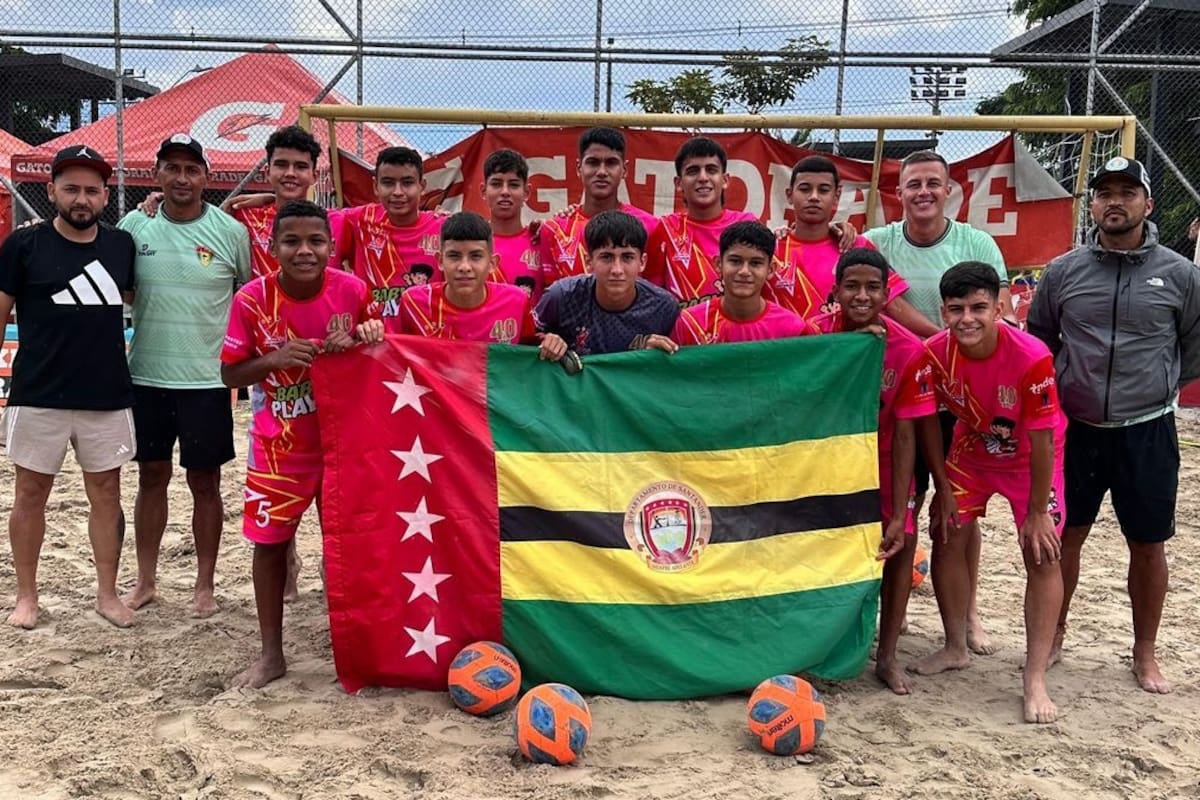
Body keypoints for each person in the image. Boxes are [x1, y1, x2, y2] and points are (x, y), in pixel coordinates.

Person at [1027, 157, 1200, 694]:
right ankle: (1054, 635)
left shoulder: (1180, 275)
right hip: (1076, 429)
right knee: (1066, 538)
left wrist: (1154, 383)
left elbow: (1192, 350)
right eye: (1105, 193)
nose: (1115, 202)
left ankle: (1143, 652)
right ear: (1093, 204)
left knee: (1148, 544)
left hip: (1146, 431)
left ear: (1148, 204)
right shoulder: (1063, 272)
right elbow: (1040, 343)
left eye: (1128, 192)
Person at [220, 200, 384, 688]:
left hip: (345, 446)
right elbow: (228, 372)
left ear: (332, 248)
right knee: (269, 547)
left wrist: (366, 333)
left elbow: (384, 351)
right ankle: (272, 654)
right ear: (272, 248)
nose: (304, 251)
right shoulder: (251, 300)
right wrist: (275, 359)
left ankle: (359, 650)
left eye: (316, 241)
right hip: (279, 451)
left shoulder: (354, 291)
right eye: (291, 241)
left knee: (351, 549)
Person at [864, 150, 1016, 655]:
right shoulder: (876, 243)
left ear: (950, 190)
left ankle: (968, 616)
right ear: (899, 193)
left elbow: (996, 321)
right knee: (900, 508)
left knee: (957, 517)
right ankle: (893, 613)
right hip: (900, 401)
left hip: (964, 406)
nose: (923, 192)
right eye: (913, 185)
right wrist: (941, 350)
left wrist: (943, 354)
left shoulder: (977, 243)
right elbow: (870, 296)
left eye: (933, 183)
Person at [913, 261, 1065, 725]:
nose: (967, 319)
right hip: (972, 448)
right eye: (956, 309)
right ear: (942, 312)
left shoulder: (1031, 355)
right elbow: (924, 423)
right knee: (946, 531)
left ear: (999, 307)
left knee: (1042, 553)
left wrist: (1037, 512)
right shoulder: (933, 353)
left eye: (979, 307)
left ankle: (1034, 678)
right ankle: (955, 645)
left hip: (1030, 459)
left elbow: (1042, 441)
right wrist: (942, 488)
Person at [0, 146, 137, 629]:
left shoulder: (122, 246)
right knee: (30, 494)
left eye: (92, 191)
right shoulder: (23, 246)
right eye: (72, 189)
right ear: (54, 190)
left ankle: (107, 593)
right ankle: (26, 597)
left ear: (105, 196)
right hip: (38, 392)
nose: (82, 199)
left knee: (106, 493)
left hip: (106, 394)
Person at [117, 134, 251, 618]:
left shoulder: (230, 233)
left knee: (205, 482)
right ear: (156, 175)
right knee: (151, 477)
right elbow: (126, 291)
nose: (181, 178)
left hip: (207, 380)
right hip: (148, 375)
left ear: (206, 178)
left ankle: (204, 586)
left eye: (191, 169)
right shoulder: (135, 225)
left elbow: (248, 299)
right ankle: (147, 581)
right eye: (171, 168)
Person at [812, 248, 939, 695]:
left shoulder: (908, 350)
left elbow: (908, 435)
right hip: (827, 469)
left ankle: (886, 657)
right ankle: (822, 646)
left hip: (886, 466)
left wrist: (901, 509)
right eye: (852, 286)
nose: (861, 296)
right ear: (836, 290)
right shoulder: (815, 335)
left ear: (888, 293)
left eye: (872, 287)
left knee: (899, 547)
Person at [768, 156, 914, 321]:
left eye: (823, 190)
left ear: (837, 196)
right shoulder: (770, 250)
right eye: (805, 189)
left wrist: (937, 337)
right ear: (789, 195)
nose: (814, 197)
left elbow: (894, 304)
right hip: (787, 346)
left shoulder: (856, 246)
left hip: (845, 346)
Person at [535, 210, 679, 359]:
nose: (617, 270)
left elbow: (678, 366)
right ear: (588, 262)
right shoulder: (561, 297)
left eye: (627, 257)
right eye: (606, 257)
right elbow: (526, 342)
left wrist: (658, 355)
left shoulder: (664, 307)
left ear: (642, 262)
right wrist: (546, 341)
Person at [538, 127, 659, 288]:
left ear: (625, 170)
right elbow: (549, 297)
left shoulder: (650, 226)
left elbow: (656, 294)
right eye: (593, 162)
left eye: (611, 163)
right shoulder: (555, 230)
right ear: (578, 168)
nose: (602, 172)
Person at [333, 146, 445, 319]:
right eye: (388, 183)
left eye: (407, 183)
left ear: (422, 186)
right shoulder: (357, 220)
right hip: (372, 338)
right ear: (375, 186)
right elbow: (302, 221)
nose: (397, 192)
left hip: (425, 337)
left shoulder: (444, 228)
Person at [644, 137, 757, 306]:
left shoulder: (747, 224)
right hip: (683, 331)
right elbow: (652, 297)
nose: (703, 177)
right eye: (693, 171)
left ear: (725, 180)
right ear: (678, 183)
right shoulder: (665, 229)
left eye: (711, 170)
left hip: (736, 331)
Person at [399, 211, 536, 343]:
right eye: (454, 256)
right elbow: (392, 354)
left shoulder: (516, 301)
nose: (464, 267)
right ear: (440, 261)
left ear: (492, 263)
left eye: (475, 256)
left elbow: (531, 355)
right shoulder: (413, 303)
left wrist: (549, 342)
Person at [671, 221, 811, 344]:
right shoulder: (690, 324)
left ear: (770, 269)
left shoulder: (792, 329)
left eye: (755, 263)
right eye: (735, 261)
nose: (744, 271)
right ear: (719, 264)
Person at [480, 149, 544, 303]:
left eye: (513, 185)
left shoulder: (542, 241)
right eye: (496, 184)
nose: (505, 192)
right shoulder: (472, 244)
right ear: (483, 191)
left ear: (526, 192)